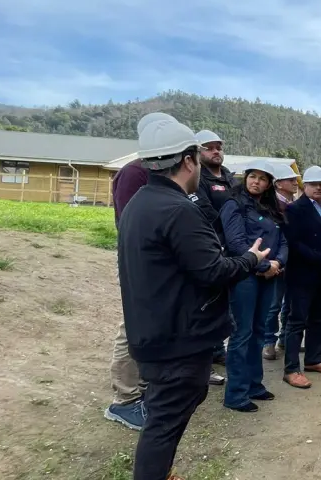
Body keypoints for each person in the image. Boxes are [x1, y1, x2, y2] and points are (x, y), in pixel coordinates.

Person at [118, 116, 269, 480]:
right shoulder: (178, 210)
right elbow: (213, 271)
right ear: (188, 160)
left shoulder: (141, 201)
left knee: (164, 418)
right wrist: (251, 259)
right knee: (164, 424)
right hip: (177, 340)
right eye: (198, 158)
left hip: (155, 330)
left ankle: (162, 471)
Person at [104, 111, 172, 431]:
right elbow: (132, 223)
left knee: (152, 327)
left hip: (159, 265)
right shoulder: (134, 172)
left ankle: (144, 389)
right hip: (139, 263)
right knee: (131, 326)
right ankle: (124, 400)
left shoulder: (160, 171)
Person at [219, 160, 288, 412]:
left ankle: (254, 385)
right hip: (245, 276)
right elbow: (236, 244)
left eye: (262, 178)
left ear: (269, 183)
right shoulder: (233, 204)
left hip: (268, 275)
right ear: (245, 177)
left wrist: (278, 263)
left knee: (259, 330)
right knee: (242, 333)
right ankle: (235, 394)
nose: (255, 181)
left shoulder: (272, 208)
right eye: (252, 176)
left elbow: (283, 241)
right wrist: (263, 266)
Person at [281, 166, 321, 389]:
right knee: (297, 321)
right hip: (302, 275)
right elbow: (294, 243)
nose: (319, 188)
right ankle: (291, 369)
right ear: (304, 186)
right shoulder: (295, 210)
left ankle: (313, 359)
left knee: (318, 318)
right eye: (314, 184)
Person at [193, 129, 238, 369]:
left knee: (226, 301)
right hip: (212, 243)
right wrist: (226, 228)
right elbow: (204, 209)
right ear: (198, 151)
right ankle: (208, 353)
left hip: (233, 246)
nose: (215, 151)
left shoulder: (230, 177)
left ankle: (219, 349)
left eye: (218, 147)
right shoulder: (198, 178)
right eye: (209, 147)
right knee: (209, 299)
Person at [264, 163, 299, 359]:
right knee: (274, 304)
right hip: (277, 261)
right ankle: (269, 342)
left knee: (290, 303)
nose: (295, 183)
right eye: (291, 180)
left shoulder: (293, 204)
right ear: (278, 184)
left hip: (293, 261)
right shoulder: (272, 206)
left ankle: (284, 339)